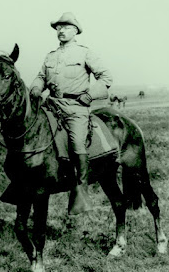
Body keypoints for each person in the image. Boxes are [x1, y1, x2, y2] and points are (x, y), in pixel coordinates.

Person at [30, 12, 113, 215]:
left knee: (76, 143)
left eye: (66, 27)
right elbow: (41, 77)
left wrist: (90, 94)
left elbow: (106, 77)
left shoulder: (85, 53)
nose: (61, 30)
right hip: (51, 105)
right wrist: (35, 88)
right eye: (58, 27)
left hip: (76, 107)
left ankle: (80, 190)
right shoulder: (50, 56)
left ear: (75, 31)